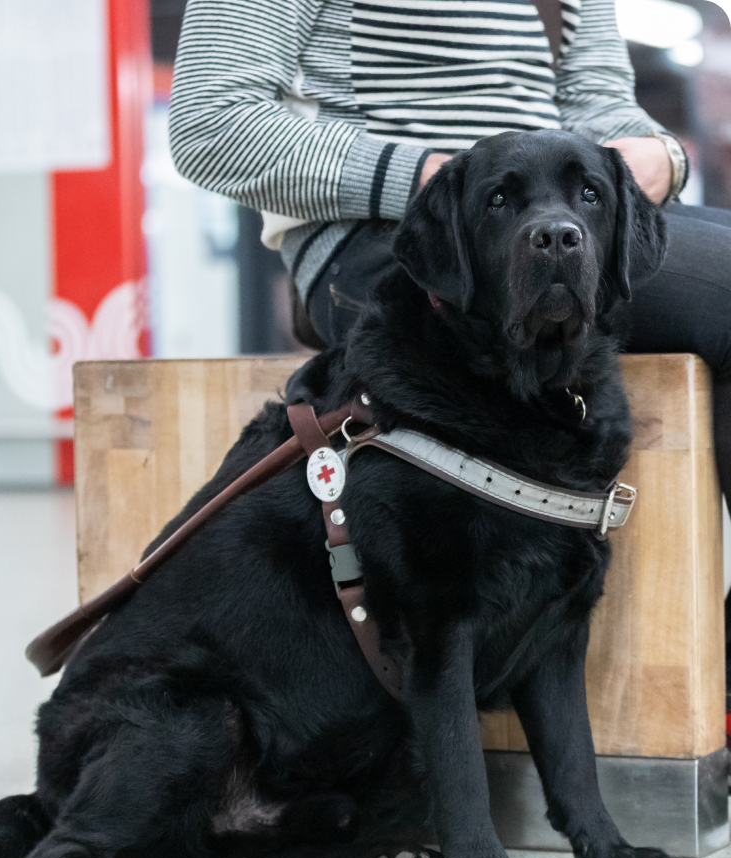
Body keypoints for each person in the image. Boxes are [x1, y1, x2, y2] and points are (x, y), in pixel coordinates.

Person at [168, 0, 731, 702]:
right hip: (397, 234)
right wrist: (443, 184)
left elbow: (600, 104)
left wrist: (661, 156)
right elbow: (211, 120)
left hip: (555, 217)